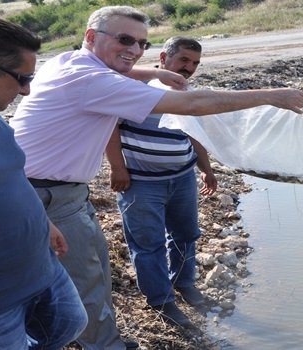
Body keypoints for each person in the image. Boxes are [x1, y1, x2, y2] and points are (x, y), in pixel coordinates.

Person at [9, 5, 303, 348]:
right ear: (91, 37)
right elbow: (193, 105)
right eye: (124, 40)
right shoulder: (92, 79)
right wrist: (273, 96)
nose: (134, 50)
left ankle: (105, 338)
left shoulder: (68, 62)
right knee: (86, 280)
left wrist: (155, 73)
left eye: (141, 44)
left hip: (64, 193)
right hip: (45, 194)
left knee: (97, 274)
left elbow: (124, 75)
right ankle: (104, 344)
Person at [0, 16, 87, 350]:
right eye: (22, 78)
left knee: (71, 323)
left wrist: (45, 221)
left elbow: (10, 174)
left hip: (41, 270)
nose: (26, 89)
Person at [105, 37, 215, 328]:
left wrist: (207, 169)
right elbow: (109, 129)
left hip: (183, 179)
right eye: (184, 61)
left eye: (195, 63)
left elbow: (193, 134)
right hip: (141, 183)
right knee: (148, 244)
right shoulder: (134, 87)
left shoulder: (184, 90)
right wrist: (117, 168)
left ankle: (184, 283)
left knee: (186, 234)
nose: (189, 68)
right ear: (165, 57)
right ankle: (161, 301)